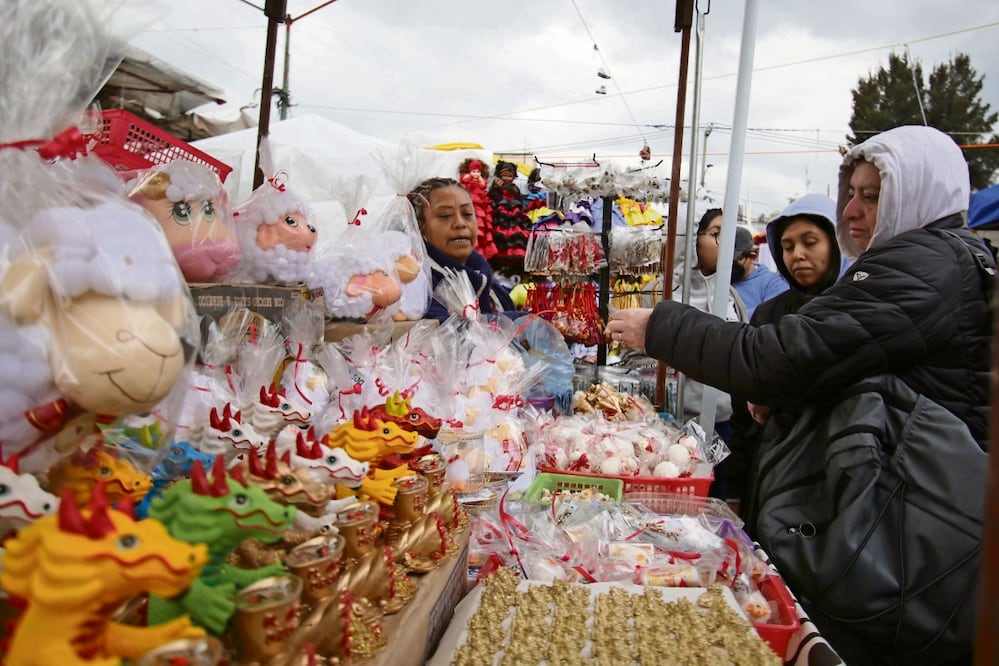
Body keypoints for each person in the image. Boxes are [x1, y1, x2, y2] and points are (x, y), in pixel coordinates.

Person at [604, 125, 993, 665]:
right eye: (850, 193)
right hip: (912, 523)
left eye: (872, 195)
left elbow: (781, 357)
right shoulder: (943, 261)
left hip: (907, 533)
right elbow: (849, 367)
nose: (852, 210)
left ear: (917, 191)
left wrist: (662, 326)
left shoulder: (923, 266)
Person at [726, 193, 841, 507]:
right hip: (772, 473)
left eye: (810, 242)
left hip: (833, 477)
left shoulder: (856, 311)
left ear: (836, 241)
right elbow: (743, 410)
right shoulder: (769, 314)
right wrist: (736, 491)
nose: (797, 255)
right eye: (787, 247)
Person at [407, 177, 515, 322]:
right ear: (419, 227)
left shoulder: (488, 283)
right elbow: (450, 335)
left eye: (467, 214)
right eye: (445, 216)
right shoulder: (420, 287)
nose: (460, 223)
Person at [731, 225, 788, 318]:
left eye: (736, 259)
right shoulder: (718, 278)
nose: (730, 265)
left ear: (752, 256)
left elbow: (769, 318)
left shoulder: (774, 284)